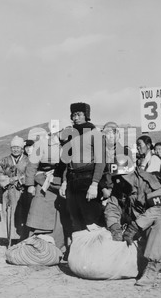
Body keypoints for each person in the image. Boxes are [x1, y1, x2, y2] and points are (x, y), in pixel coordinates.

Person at [104, 154, 161, 286]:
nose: (119, 181)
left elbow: (158, 208)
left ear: (132, 173)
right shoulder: (120, 185)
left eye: (122, 177)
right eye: (116, 178)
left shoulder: (148, 181)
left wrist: (135, 226)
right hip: (139, 223)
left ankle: (153, 268)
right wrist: (114, 226)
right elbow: (112, 207)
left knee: (160, 224)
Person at [25, 119, 72, 251]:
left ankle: (59, 246)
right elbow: (32, 164)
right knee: (39, 209)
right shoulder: (42, 144)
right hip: (43, 181)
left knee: (61, 216)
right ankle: (37, 243)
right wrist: (30, 185)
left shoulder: (70, 144)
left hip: (61, 182)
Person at [59, 102, 106, 232]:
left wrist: (95, 184)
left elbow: (100, 161)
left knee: (91, 220)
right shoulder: (71, 135)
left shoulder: (94, 134)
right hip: (72, 180)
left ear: (86, 116)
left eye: (79, 114)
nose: (76, 118)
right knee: (76, 220)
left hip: (88, 180)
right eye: (73, 115)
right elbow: (67, 161)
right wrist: (64, 181)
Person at [0, 135, 29, 244]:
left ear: (22, 149)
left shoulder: (28, 160)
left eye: (18, 147)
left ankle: (21, 238)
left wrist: (20, 179)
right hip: (8, 191)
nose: (15, 149)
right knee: (8, 213)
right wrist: (8, 180)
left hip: (22, 192)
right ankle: (9, 238)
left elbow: (30, 174)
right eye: (13, 147)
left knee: (22, 214)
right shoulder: (4, 160)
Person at [99, 121, 130, 202]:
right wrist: (104, 189)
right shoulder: (98, 153)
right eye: (109, 133)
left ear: (119, 135)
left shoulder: (126, 152)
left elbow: (129, 176)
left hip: (121, 194)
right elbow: (96, 172)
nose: (112, 136)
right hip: (103, 193)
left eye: (114, 133)